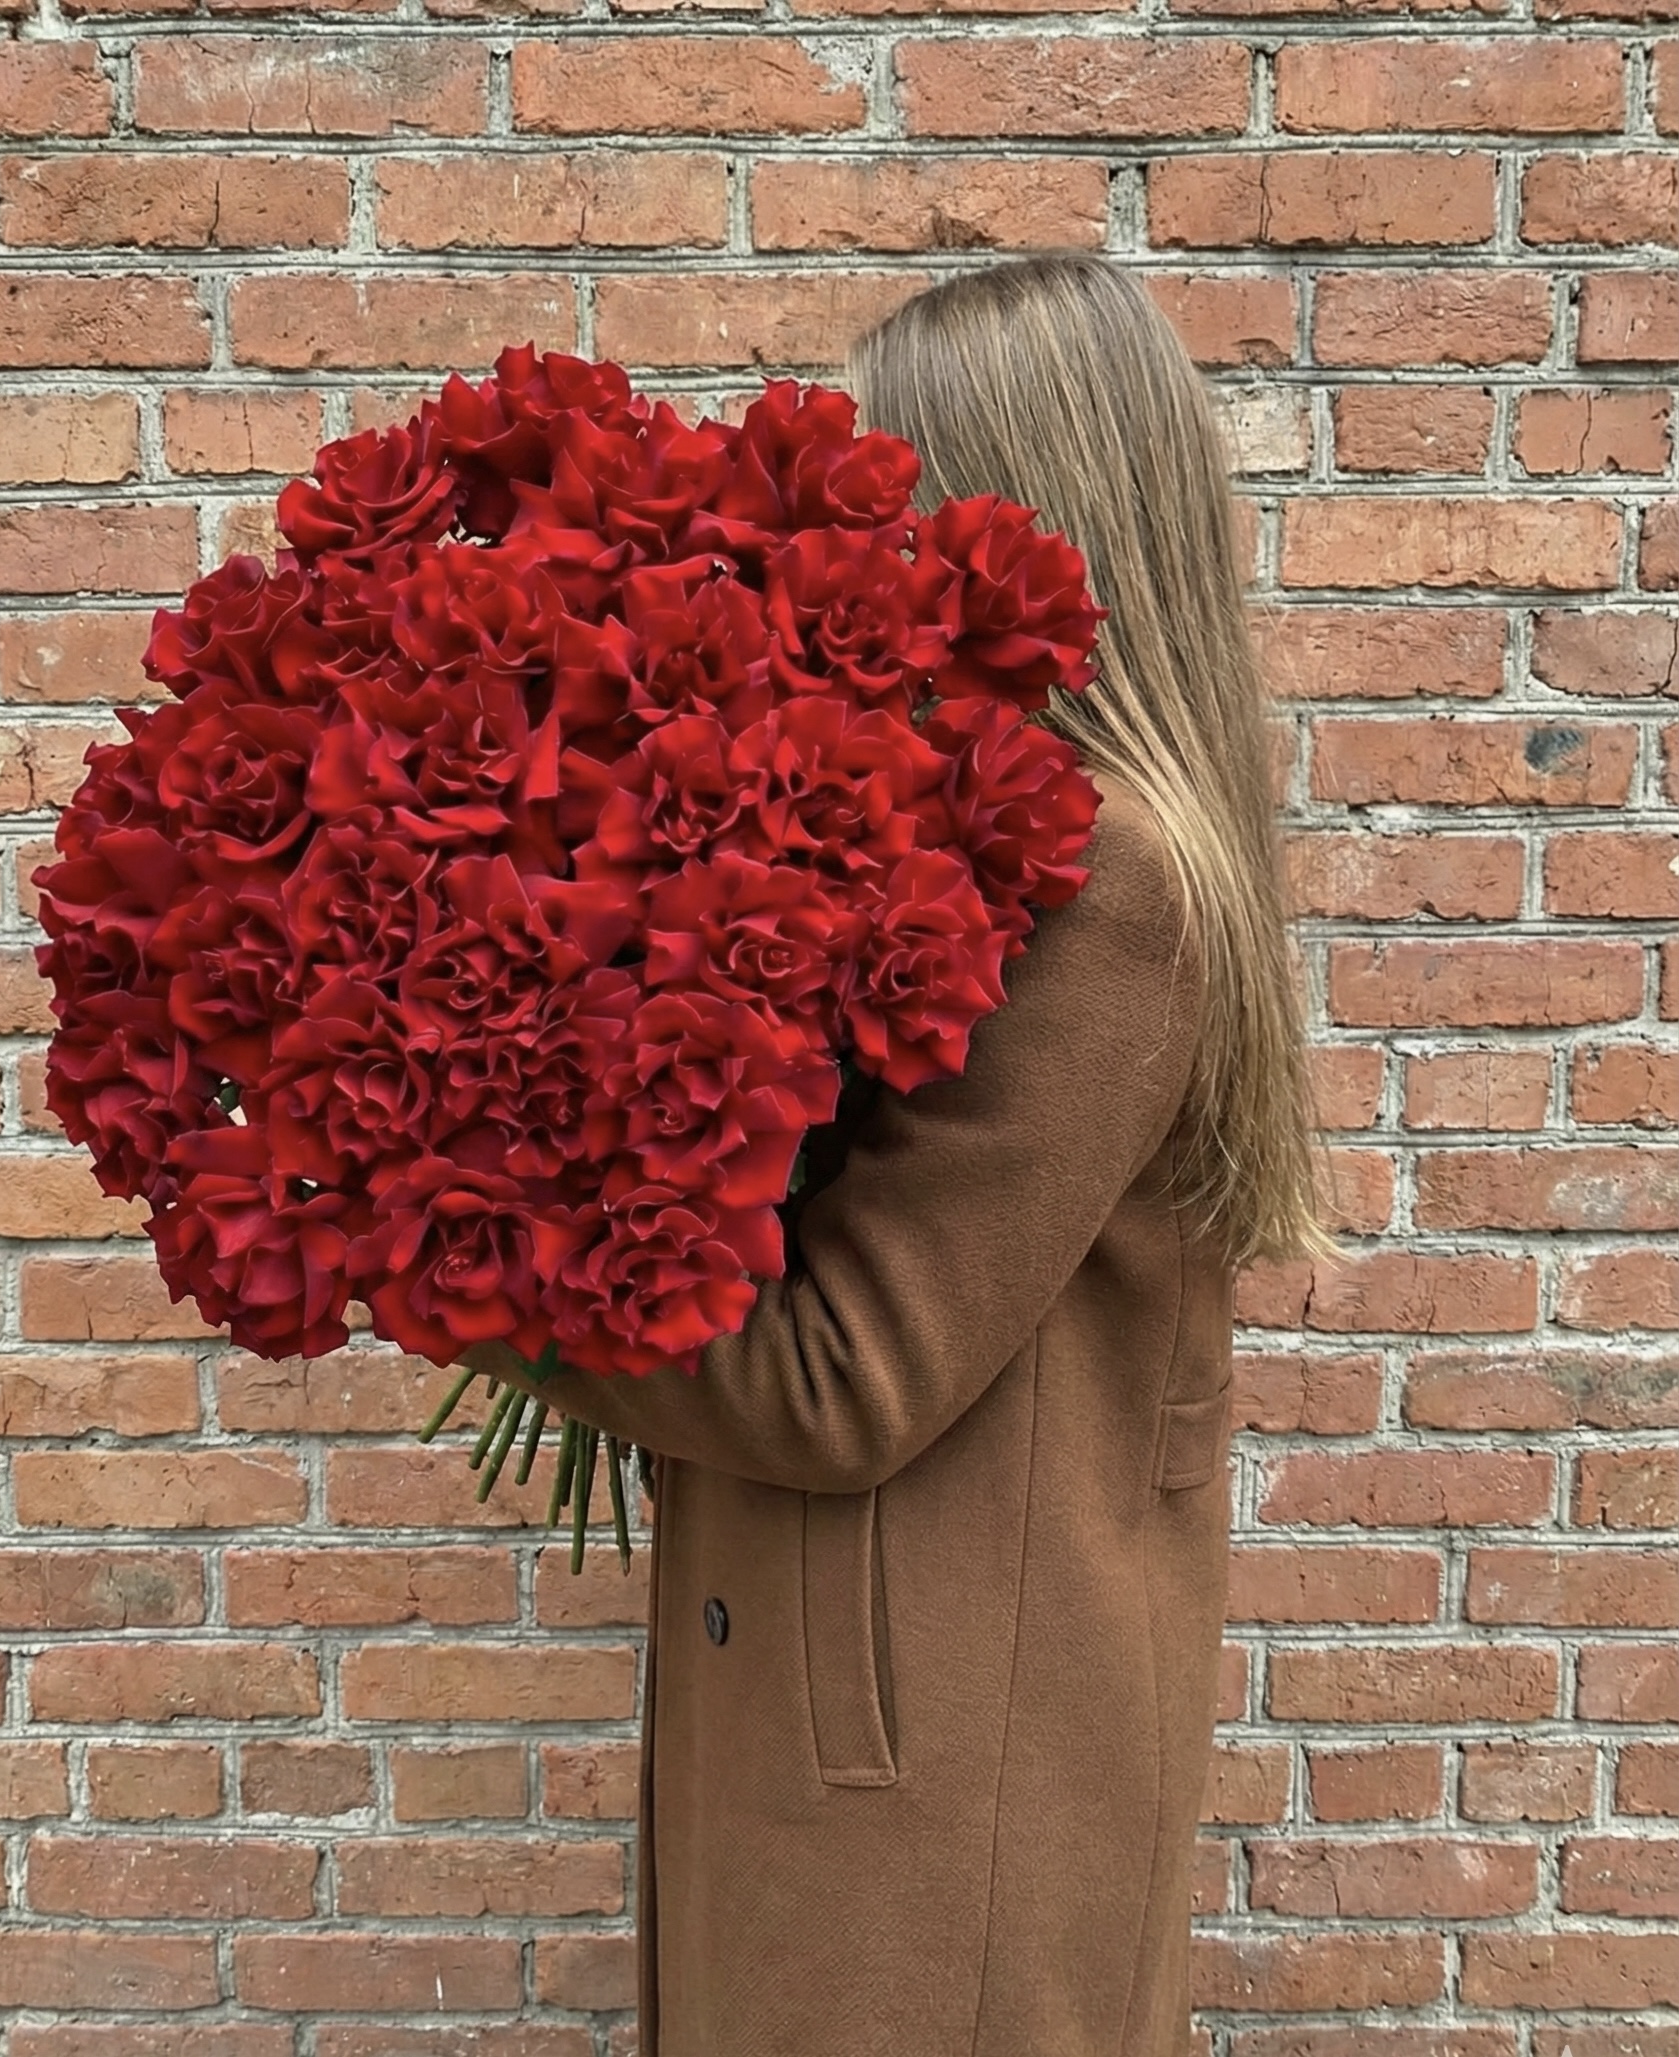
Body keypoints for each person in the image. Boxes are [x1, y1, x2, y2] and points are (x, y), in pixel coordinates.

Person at [472, 250, 1337, 2057]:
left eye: (890, 490)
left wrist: (460, 1250)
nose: (841, 542)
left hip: (941, 1801)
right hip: (894, 1735)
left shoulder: (1111, 883)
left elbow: (841, 1377)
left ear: (1016, 511)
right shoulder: (1000, 842)